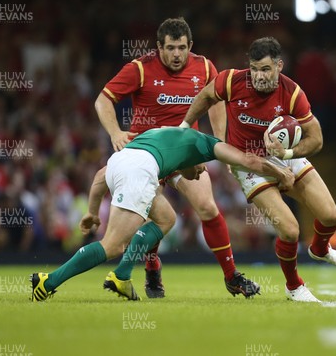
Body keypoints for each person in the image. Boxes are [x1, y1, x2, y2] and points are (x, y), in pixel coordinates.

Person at [181, 37, 336, 303]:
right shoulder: (232, 81)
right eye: (254, 69)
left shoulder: (292, 92)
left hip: (283, 156)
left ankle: (320, 249)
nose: (259, 76)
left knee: (331, 217)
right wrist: (185, 126)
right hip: (248, 164)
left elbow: (316, 139)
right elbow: (206, 95)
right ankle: (294, 286)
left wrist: (287, 154)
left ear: (279, 66)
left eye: (265, 69)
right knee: (289, 230)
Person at [30, 127, 294, 301]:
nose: (200, 172)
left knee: (166, 218)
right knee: (113, 245)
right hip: (140, 172)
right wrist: (281, 172)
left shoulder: (158, 137)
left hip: (120, 161)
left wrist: (91, 212)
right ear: (197, 156)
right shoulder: (204, 143)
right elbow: (247, 161)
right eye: (200, 169)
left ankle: (122, 276)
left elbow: (102, 176)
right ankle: (49, 281)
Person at [94, 18, 252, 298]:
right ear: (159, 47)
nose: (176, 54)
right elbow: (103, 99)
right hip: (147, 155)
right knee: (148, 219)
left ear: (190, 46)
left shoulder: (203, 67)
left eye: (181, 48)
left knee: (207, 207)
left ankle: (231, 276)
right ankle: (152, 264)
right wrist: (115, 131)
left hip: (184, 155)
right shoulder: (140, 68)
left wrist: (219, 141)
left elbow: (214, 100)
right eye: (170, 48)